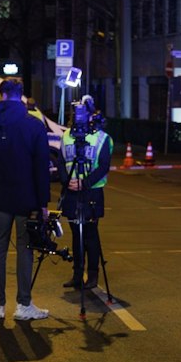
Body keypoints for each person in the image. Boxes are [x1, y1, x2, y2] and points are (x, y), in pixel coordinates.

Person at [0, 76, 52, 321]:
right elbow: (41, 168)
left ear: (2, 95)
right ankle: (23, 304)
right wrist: (43, 202)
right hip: (27, 198)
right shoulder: (34, 125)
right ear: (21, 95)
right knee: (25, 249)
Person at [60, 95, 113, 291]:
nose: (79, 117)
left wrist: (85, 183)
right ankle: (77, 274)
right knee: (76, 234)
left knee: (90, 234)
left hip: (92, 192)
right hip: (72, 191)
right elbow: (62, 162)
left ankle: (92, 274)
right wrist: (67, 181)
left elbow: (104, 166)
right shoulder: (67, 135)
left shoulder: (102, 138)